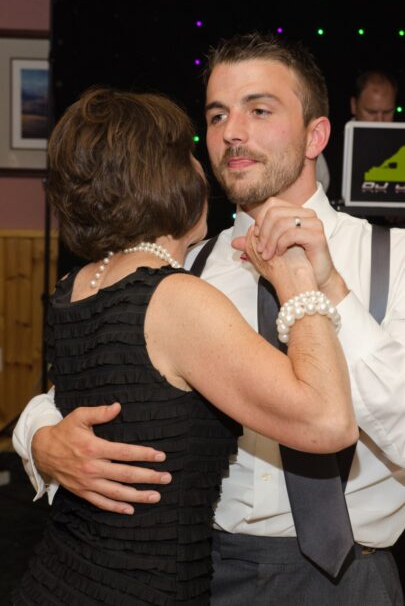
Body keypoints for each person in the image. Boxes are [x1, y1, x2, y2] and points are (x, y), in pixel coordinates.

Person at [13, 32, 405, 605]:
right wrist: (39, 441)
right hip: (200, 571)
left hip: (350, 578)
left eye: (259, 110)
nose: (232, 133)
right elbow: (85, 385)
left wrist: (333, 291)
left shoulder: (393, 258)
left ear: (315, 135)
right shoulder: (181, 267)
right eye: (218, 115)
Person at [326, 69, 399, 203]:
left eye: (387, 112)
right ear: (354, 105)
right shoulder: (330, 149)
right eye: (371, 112)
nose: (380, 120)